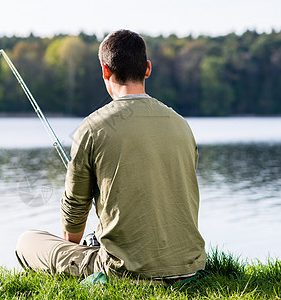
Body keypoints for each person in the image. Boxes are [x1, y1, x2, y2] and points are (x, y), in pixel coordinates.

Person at [16, 29, 206, 283]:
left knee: (27, 241)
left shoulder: (93, 128)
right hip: (189, 265)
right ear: (147, 69)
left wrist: (77, 247)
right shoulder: (181, 124)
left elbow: (74, 214)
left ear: (105, 70)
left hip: (125, 271)